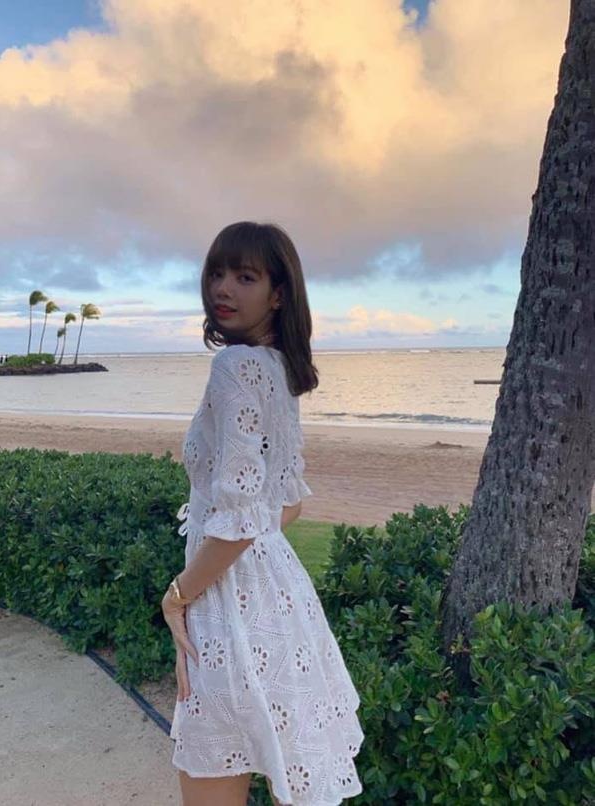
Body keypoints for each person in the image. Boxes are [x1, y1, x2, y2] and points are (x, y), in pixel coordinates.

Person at [161, 221, 364, 806]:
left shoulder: (236, 368)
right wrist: (241, 539)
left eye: (245, 277)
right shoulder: (278, 369)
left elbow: (244, 521)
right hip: (279, 600)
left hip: (228, 606)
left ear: (278, 293)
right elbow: (286, 504)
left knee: (214, 773)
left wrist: (177, 594)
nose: (222, 288)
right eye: (217, 273)